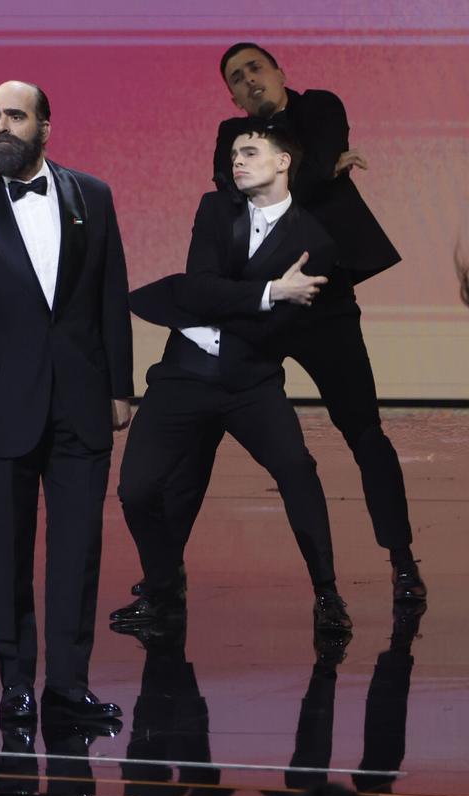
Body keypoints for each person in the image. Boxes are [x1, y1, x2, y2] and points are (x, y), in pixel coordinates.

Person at [138, 43, 423, 604]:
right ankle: (164, 575)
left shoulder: (320, 106)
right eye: (236, 79)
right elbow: (253, 187)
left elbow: (298, 174)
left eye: (255, 70)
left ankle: (403, 560)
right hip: (255, 302)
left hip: (324, 301)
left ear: (280, 73)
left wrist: (309, 170)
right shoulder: (230, 135)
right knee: (202, 433)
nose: (248, 82)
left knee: (364, 431)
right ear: (231, 96)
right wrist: (319, 169)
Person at [0, 80, 133, 726]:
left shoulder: (92, 197)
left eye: (15, 116)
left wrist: (120, 387)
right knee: (7, 553)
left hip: (80, 400)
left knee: (77, 553)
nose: (1, 127)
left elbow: (110, 297)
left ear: (45, 127)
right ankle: (15, 684)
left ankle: (68, 688)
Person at [112, 121, 352, 633]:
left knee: (297, 470)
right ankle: (163, 584)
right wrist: (269, 293)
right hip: (184, 372)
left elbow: (278, 329)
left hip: (252, 381)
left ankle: (327, 592)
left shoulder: (316, 241)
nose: (236, 161)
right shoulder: (214, 208)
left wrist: (230, 301)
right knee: (137, 489)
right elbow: (198, 287)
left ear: (284, 160)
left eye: (250, 151)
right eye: (234, 154)